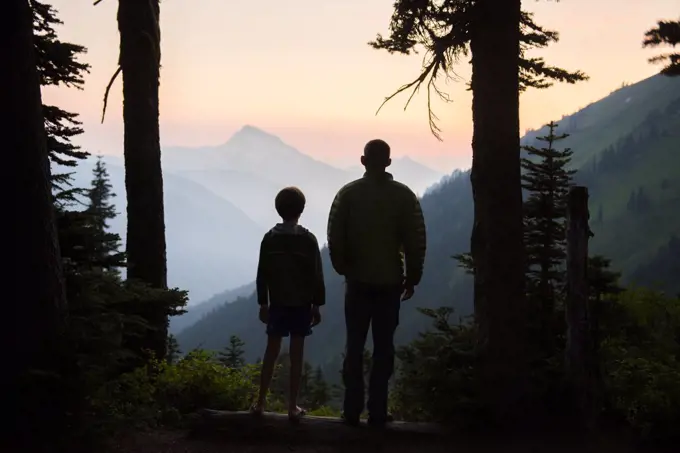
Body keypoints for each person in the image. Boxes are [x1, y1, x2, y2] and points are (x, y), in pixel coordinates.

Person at [327, 139, 427, 427]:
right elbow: (415, 240)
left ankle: (351, 410)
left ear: (362, 160)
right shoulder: (404, 196)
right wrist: (413, 276)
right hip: (390, 283)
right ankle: (378, 412)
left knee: (354, 344)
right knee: (384, 347)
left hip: (357, 281)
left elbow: (335, 235)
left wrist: (342, 267)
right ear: (389, 162)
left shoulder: (348, 194)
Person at [251, 186, 325, 422]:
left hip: (278, 304)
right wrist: (317, 304)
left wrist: (263, 303)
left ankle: (260, 402)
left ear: (278, 209)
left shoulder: (270, 239)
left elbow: (262, 273)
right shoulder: (308, 241)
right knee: (296, 355)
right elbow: (316, 275)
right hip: (301, 305)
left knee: (270, 353)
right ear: (301, 210)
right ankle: (292, 406)